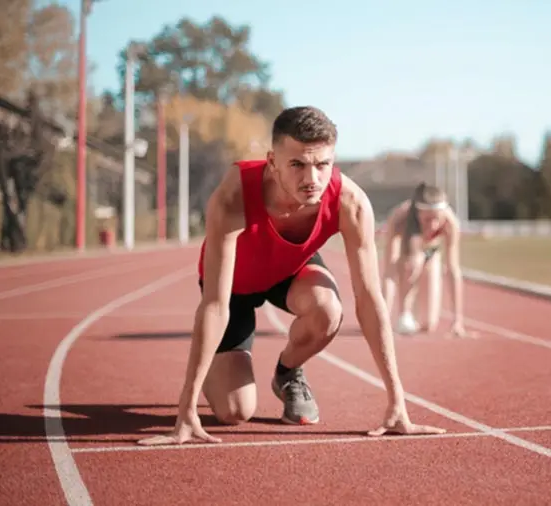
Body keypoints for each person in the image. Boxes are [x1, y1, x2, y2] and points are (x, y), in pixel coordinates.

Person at [137, 106, 445, 446]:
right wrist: (186, 409)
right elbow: (214, 304)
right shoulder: (233, 195)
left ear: (333, 160)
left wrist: (397, 401)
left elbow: (370, 299)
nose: (311, 179)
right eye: (297, 164)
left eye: (322, 164)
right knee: (235, 412)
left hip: (290, 272)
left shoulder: (351, 203)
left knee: (328, 310)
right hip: (234, 287)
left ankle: (288, 372)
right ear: (272, 162)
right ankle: (214, 370)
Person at [379, 183, 470, 337]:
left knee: (429, 324)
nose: (433, 225)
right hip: (406, 253)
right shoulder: (399, 218)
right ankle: (405, 313)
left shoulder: (450, 223)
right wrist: (382, 318)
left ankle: (416, 316)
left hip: (431, 253)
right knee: (413, 264)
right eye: (427, 219)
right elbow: (390, 271)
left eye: (437, 219)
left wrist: (457, 321)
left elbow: (452, 270)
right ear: (417, 213)